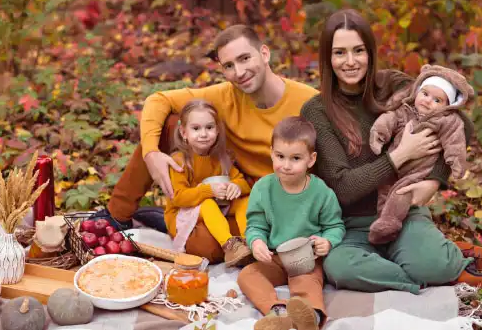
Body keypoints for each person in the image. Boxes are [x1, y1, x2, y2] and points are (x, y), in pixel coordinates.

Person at [300, 9, 482, 295]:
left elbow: (459, 123)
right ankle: (436, 267)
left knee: (427, 260)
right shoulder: (317, 111)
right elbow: (342, 187)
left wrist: (435, 180)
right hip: (349, 226)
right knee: (340, 269)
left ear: (370, 52)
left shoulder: (394, 86)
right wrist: (399, 155)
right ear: (328, 57)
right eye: (339, 53)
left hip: (403, 213)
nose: (350, 62)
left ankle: (437, 260)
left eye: (358, 51)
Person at [102, 24, 319, 262]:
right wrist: (151, 153)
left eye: (245, 58)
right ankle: (116, 217)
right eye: (228, 66)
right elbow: (158, 100)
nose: (239, 71)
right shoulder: (225, 95)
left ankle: (164, 220)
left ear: (264, 54)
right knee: (170, 124)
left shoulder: (308, 102)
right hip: (229, 186)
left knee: (208, 247)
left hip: (275, 196)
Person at [238, 117, 344, 330]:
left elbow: (335, 226)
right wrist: (256, 241)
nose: (285, 165)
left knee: (308, 285)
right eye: (280, 156)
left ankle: (310, 317)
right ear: (271, 153)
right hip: (275, 257)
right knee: (248, 275)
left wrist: (328, 241)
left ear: (311, 160)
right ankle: (277, 312)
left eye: (295, 158)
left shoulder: (321, 192)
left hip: (306, 260)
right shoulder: (263, 188)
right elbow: (255, 224)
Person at [367, 64, 474, 245]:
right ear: (417, 91)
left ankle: (389, 224)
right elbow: (388, 120)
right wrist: (379, 135)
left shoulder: (447, 120)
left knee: (400, 194)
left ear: (448, 106)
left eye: (437, 100)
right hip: (394, 165)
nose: (427, 101)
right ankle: (381, 223)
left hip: (418, 173)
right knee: (384, 189)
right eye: (425, 94)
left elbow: (455, 141)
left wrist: (455, 162)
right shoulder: (405, 110)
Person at [165, 99, 253, 267]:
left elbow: (242, 181)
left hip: (219, 205)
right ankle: (230, 245)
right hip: (183, 213)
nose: (203, 134)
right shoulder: (179, 161)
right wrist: (208, 191)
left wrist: (236, 186)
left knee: (245, 201)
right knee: (207, 204)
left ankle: (249, 241)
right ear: (184, 132)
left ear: (217, 130)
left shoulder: (221, 157)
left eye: (209, 127)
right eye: (196, 128)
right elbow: (178, 198)